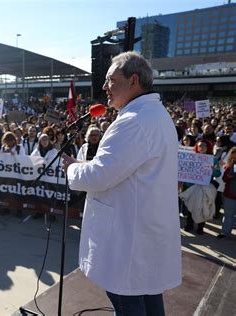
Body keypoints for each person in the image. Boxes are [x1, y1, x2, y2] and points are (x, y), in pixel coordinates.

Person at [62, 52, 181, 315]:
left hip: (129, 237)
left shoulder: (133, 122)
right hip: (143, 230)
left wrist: (73, 169)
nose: (104, 87)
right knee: (147, 297)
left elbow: (101, 176)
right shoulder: (154, 114)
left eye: (110, 80)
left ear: (134, 80)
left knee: (127, 301)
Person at [218, 146, 236, 239]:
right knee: (228, 215)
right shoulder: (230, 167)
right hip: (230, 196)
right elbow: (225, 179)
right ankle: (224, 232)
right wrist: (230, 175)